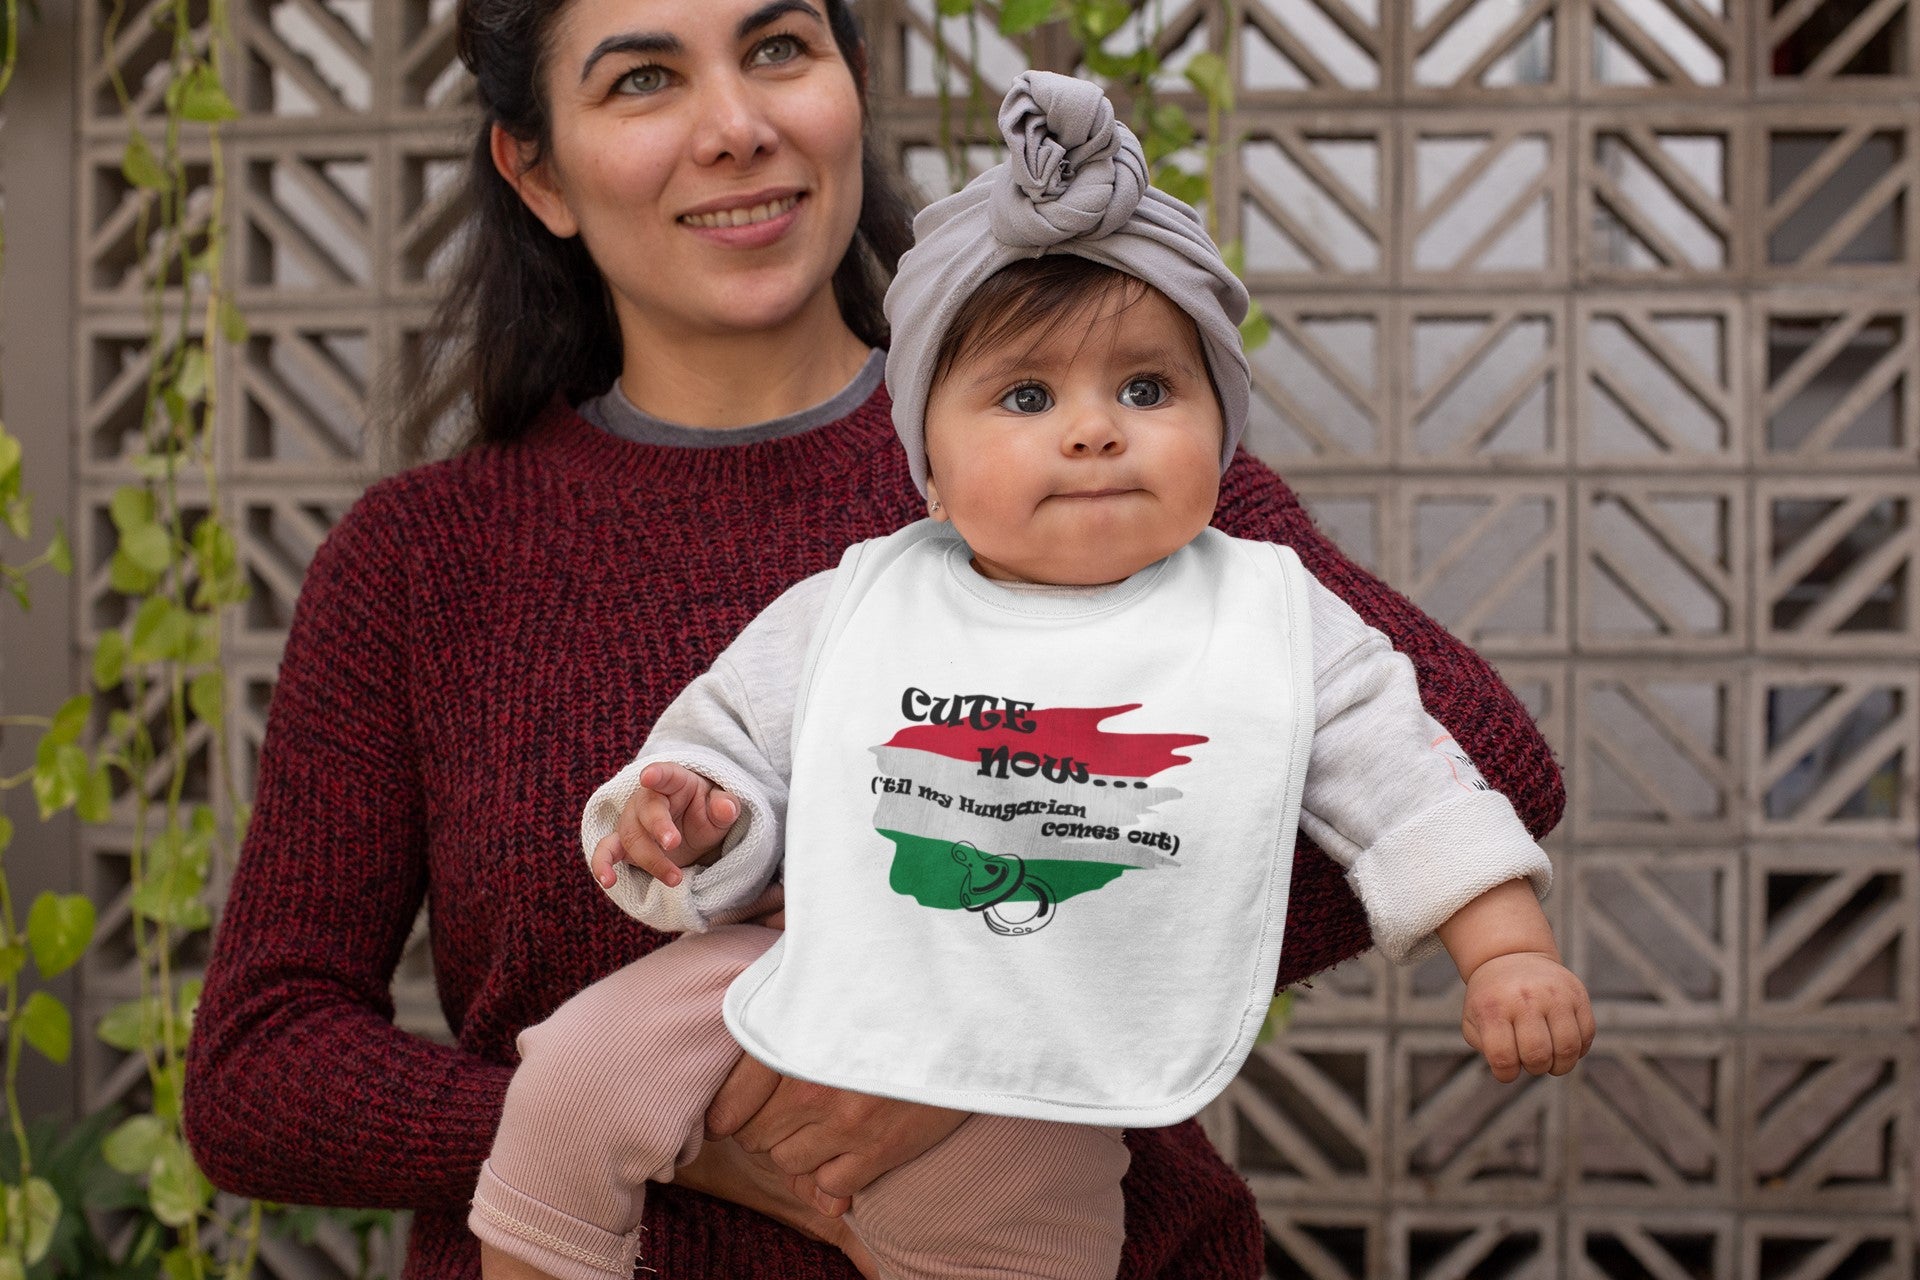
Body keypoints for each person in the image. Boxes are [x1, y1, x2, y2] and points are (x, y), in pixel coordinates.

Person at [181, 2, 1566, 1277]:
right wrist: (651, 1122)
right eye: (647, 77)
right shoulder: (426, 564)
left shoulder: (1099, 481)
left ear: (850, 95)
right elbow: (258, 1074)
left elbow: (1480, 759)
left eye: (782, 48)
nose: (739, 124)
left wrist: (983, 1025)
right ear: (538, 173)